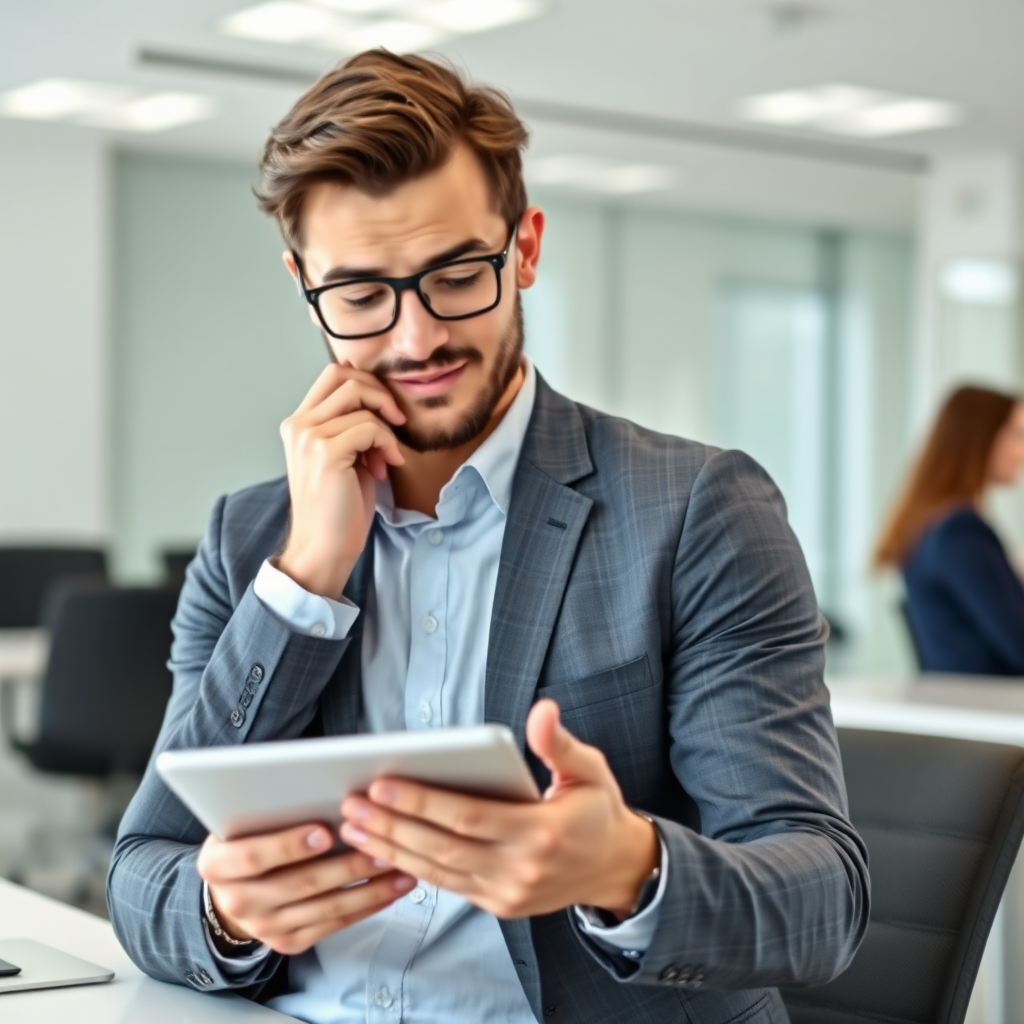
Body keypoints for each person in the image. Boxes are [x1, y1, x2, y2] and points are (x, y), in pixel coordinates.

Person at [107, 50, 869, 1024]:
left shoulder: (696, 510)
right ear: (303, 282)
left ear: (526, 249)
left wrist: (626, 867)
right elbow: (142, 869)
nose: (415, 337)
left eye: (456, 273)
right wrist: (226, 908)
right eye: (361, 294)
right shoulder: (252, 534)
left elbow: (823, 902)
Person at [875, 384, 1024, 675]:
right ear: (983, 439)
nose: (1022, 451)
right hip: (988, 711)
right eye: (1017, 435)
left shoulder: (936, 527)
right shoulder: (962, 533)